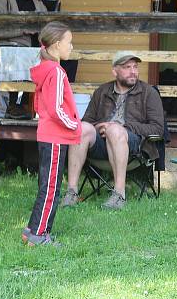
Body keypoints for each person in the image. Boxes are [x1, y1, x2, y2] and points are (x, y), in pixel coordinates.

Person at [61, 51, 164, 210]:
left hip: (134, 146)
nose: (133, 71)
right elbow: (87, 120)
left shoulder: (148, 93)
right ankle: (71, 192)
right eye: (127, 67)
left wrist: (123, 127)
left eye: (135, 67)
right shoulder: (102, 91)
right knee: (81, 128)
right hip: (101, 145)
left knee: (115, 131)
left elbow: (157, 128)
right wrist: (100, 126)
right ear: (115, 71)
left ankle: (119, 194)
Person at [22, 22, 95, 246]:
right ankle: (39, 235)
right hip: (54, 137)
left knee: (47, 186)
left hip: (48, 136)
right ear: (56, 45)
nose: (71, 47)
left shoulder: (46, 69)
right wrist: (75, 125)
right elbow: (55, 108)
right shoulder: (55, 71)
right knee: (51, 188)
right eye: (69, 42)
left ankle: (32, 229)